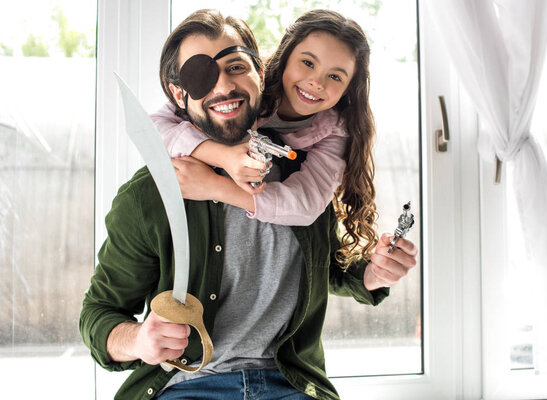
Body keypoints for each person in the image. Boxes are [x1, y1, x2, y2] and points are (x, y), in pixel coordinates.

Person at [79, 8, 417, 400]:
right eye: (200, 75)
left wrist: (375, 274)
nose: (223, 86)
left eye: (236, 67)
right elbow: (98, 314)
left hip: (290, 383)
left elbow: (332, 269)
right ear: (178, 94)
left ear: (261, 73)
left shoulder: (303, 175)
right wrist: (138, 340)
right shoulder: (150, 196)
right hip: (188, 385)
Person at [153, 8, 378, 267]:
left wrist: (214, 186)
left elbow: (306, 203)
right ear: (285, 55)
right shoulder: (242, 87)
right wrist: (223, 157)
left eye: (335, 76)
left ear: (350, 87)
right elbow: (155, 126)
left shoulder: (336, 128)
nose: (316, 82)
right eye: (307, 63)